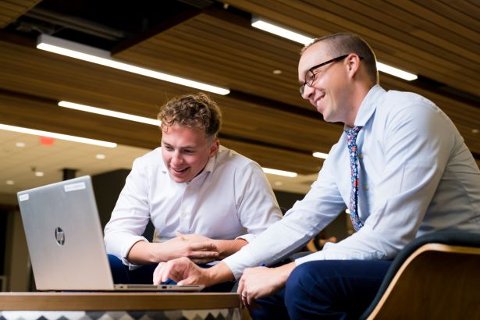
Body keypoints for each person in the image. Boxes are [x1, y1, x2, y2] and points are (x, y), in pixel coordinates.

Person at [152, 33, 480, 318]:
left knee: (307, 281)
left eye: (312, 76)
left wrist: (291, 269)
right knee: (256, 285)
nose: (307, 92)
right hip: (401, 264)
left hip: (453, 264)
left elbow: (392, 234)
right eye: (301, 86)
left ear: (351, 64)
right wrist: (214, 273)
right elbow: (300, 222)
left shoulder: (409, 114)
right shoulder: (343, 150)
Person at [104, 92, 282, 286]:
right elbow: (115, 235)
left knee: (175, 281)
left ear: (213, 148)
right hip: (159, 262)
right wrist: (163, 251)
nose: (175, 161)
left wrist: (212, 248)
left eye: (188, 151)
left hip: (218, 269)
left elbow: (273, 240)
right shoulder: (146, 166)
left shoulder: (244, 172)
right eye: (168, 147)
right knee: (102, 267)